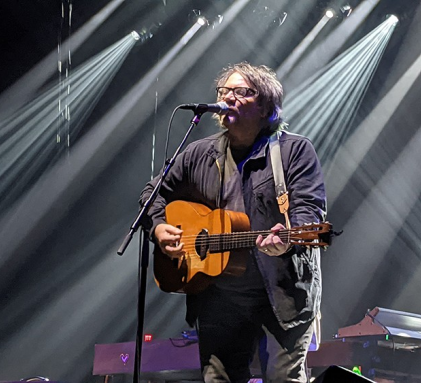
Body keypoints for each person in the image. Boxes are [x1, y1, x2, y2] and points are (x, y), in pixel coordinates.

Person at [140, 62, 327, 383]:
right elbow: (152, 194)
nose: (229, 97)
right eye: (224, 91)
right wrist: (159, 227)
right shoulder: (198, 153)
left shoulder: (293, 151)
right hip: (218, 296)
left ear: (266, 106)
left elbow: (309, 210)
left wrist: (288, 237)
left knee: (284, 380)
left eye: (242, 92)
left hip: (280, 294)